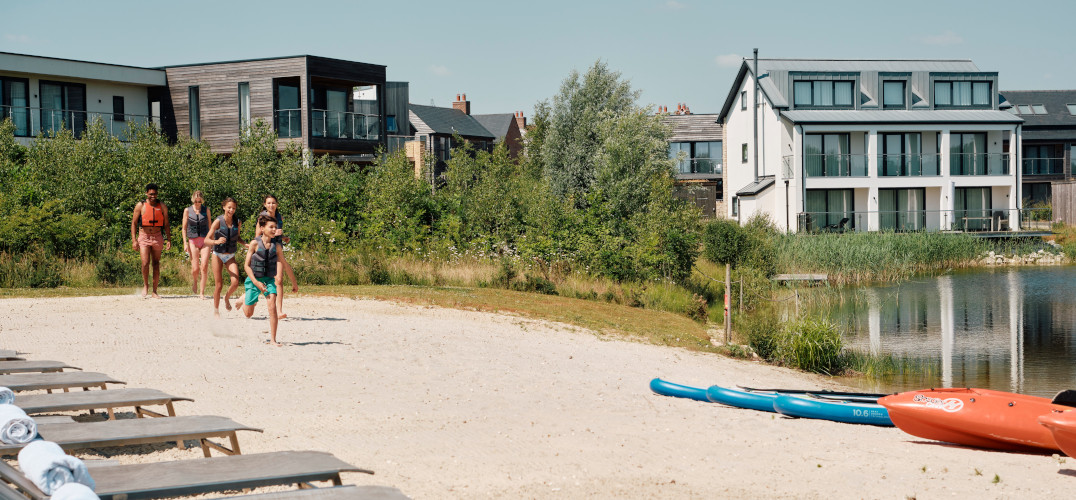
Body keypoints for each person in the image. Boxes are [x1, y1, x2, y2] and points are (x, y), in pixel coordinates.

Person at [243, 214, 295, 346]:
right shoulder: (254, 244)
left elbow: (284, 263)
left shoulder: (276, 246)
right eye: (271, 227)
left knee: (272, 306)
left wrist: (294, 282)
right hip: (254, 280)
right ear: (262, 228)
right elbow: (246, 266)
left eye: (275, 227)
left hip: (269, 280)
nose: (274, 230)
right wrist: (255, 282)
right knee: (248, 313)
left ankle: (273, 339)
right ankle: (244, 300)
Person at [256, 195, 298, 319]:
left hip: (277, 248)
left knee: (279, 279)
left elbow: (277, 233)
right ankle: (246, 299)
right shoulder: (262, 218)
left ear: (277, 204)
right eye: (269, 203)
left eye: (273, 203)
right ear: (265, 204)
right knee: (262, 279)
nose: (271, 205)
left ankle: (279, 311)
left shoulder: (279, 217)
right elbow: (258, 235)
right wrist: (274, 233)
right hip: (266, 249)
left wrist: (283, 237)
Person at [130, 183, 170, 298]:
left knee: (156, 264)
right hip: (144, 236)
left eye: (155, 194)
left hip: (157, 235)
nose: (153, 196)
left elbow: (166, 224)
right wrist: (134, 240)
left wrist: (168, 239)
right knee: (145, 262)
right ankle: (145, 285)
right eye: (151, 194)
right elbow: (133, 223)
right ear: (146, 193)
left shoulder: (162, 206)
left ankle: (155, 291)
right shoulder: (140, 205)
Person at [204, 197, 242, 316]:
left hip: (230, 255)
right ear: (224, 207)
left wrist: (246, 244)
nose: (231, 210)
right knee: (219, 285)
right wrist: (216, 241)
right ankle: (216, 310)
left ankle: (226, 298)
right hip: (218, 255)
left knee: (235, 282)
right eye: (229, 207)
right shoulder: (218, 221)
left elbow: (238, 238)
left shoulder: (238, 222)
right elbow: (206, 240)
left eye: (233, 208)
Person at [181, 191, 212, 299]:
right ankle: (195, 281)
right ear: (193, 200)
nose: (198, 203)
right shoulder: (187, 210)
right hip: (192, 241)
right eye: (196, 201)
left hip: (205, 240)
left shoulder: (206, 210)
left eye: (199, 201)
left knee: (204, 266)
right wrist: (185, 243)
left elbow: (210, 226)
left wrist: (212, 242)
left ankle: (202, 293)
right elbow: (184, 228)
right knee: (195, 268)